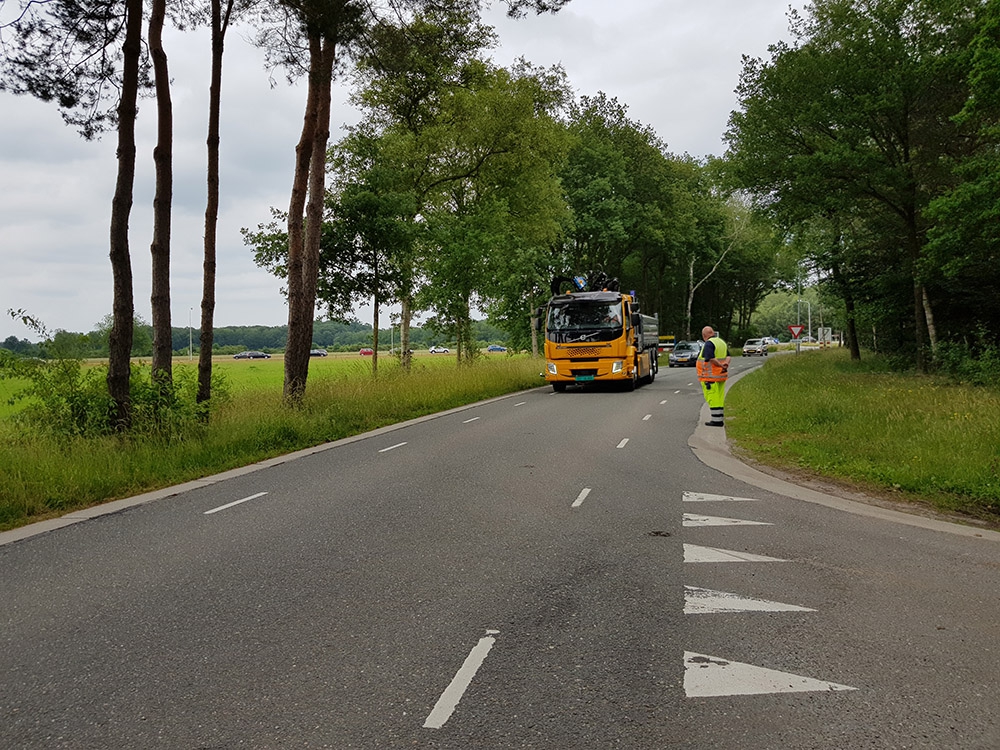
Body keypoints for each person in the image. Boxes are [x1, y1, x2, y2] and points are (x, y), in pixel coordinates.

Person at [697, 325, 730, 427]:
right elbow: (728, 356)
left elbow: (710, 358)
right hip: (721, 375)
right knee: (719, 397)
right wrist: (725, 364)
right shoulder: (721, 342)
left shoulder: (709, 344)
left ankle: (716, 421)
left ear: (704, 335)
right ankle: (719, 418)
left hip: (710, 376)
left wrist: (720, 365)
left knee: (712, 397)